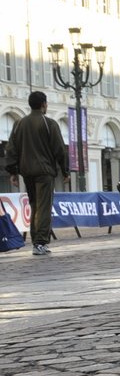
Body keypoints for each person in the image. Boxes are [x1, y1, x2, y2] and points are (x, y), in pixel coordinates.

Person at [5, 91, 69, 255]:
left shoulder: (19, 124)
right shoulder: (50, 124)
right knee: (44, 207)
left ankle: (36, 240)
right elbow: (60, 150)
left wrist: (13, 172)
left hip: (27, 172)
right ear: (43, 104)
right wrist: (65, 170)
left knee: (34, 206)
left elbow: (11, 149)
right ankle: (40, 242)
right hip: (45, 171)